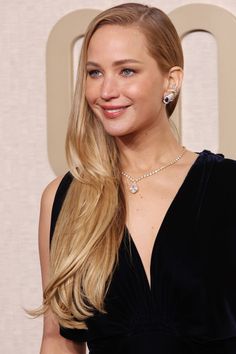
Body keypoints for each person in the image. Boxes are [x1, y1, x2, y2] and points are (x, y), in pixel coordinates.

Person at [35, 3, 236, 353]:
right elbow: (58, 340)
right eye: (94, 73)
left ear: (170, 80)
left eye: (126, 71)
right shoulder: (64, 198)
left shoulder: (229, 187)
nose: (106, 91)